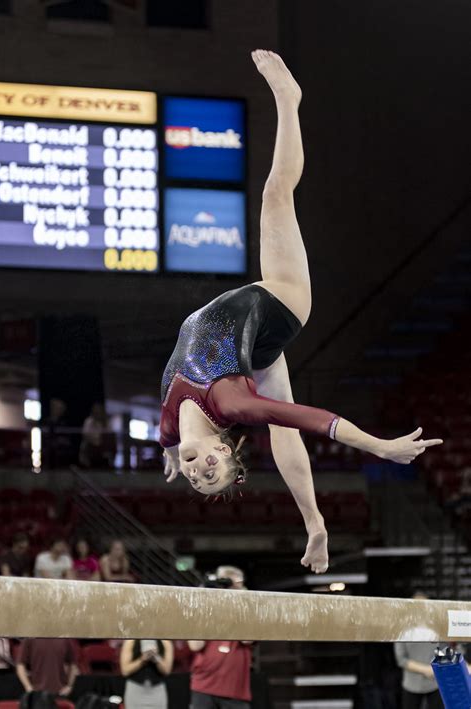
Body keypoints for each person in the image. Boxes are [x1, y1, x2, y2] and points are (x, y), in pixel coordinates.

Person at [160, 49, 443, 573]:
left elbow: (176, 440)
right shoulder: (234, 406)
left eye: (200, 480)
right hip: (280, 304)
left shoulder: (171, 429)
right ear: (227, 448)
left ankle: (315, 525)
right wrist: (380, 447)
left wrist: (174, 452)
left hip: (257, 349)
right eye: (214, 470)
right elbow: (314, 420)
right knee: (275, 196)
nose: (201, 473)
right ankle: (289, 101)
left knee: (283, 440)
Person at [189, 565, 253, 709]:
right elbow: (195, 645)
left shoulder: (248, 606)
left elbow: (247, 639)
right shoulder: (207, 608)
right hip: (204, 686)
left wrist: (239, 598)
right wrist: (205, 598)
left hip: (234, 689)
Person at [394, 592, 444, 708]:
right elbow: (401, 659)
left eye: (424, 606)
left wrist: (436, 667)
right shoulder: (402, 629)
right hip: (412, 684)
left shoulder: (436, 628)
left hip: (435, 683)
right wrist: (426, 669)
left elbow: (443, 650)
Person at [120, 638, 173, 709]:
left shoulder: (165, 642)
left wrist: (156, 658)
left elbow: (167, 671)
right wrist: (142, 660)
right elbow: (125, 671)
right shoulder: (131, 641)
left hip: (157, 690)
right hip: (135, 689)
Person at [79, 402, 115, 469]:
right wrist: (96, 440)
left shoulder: (107, 422)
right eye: (95, 411)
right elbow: (85, 435)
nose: (97, 413)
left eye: (99, 411)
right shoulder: (88, 421)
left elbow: (109, 436)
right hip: (91, 448)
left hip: (103, 449)